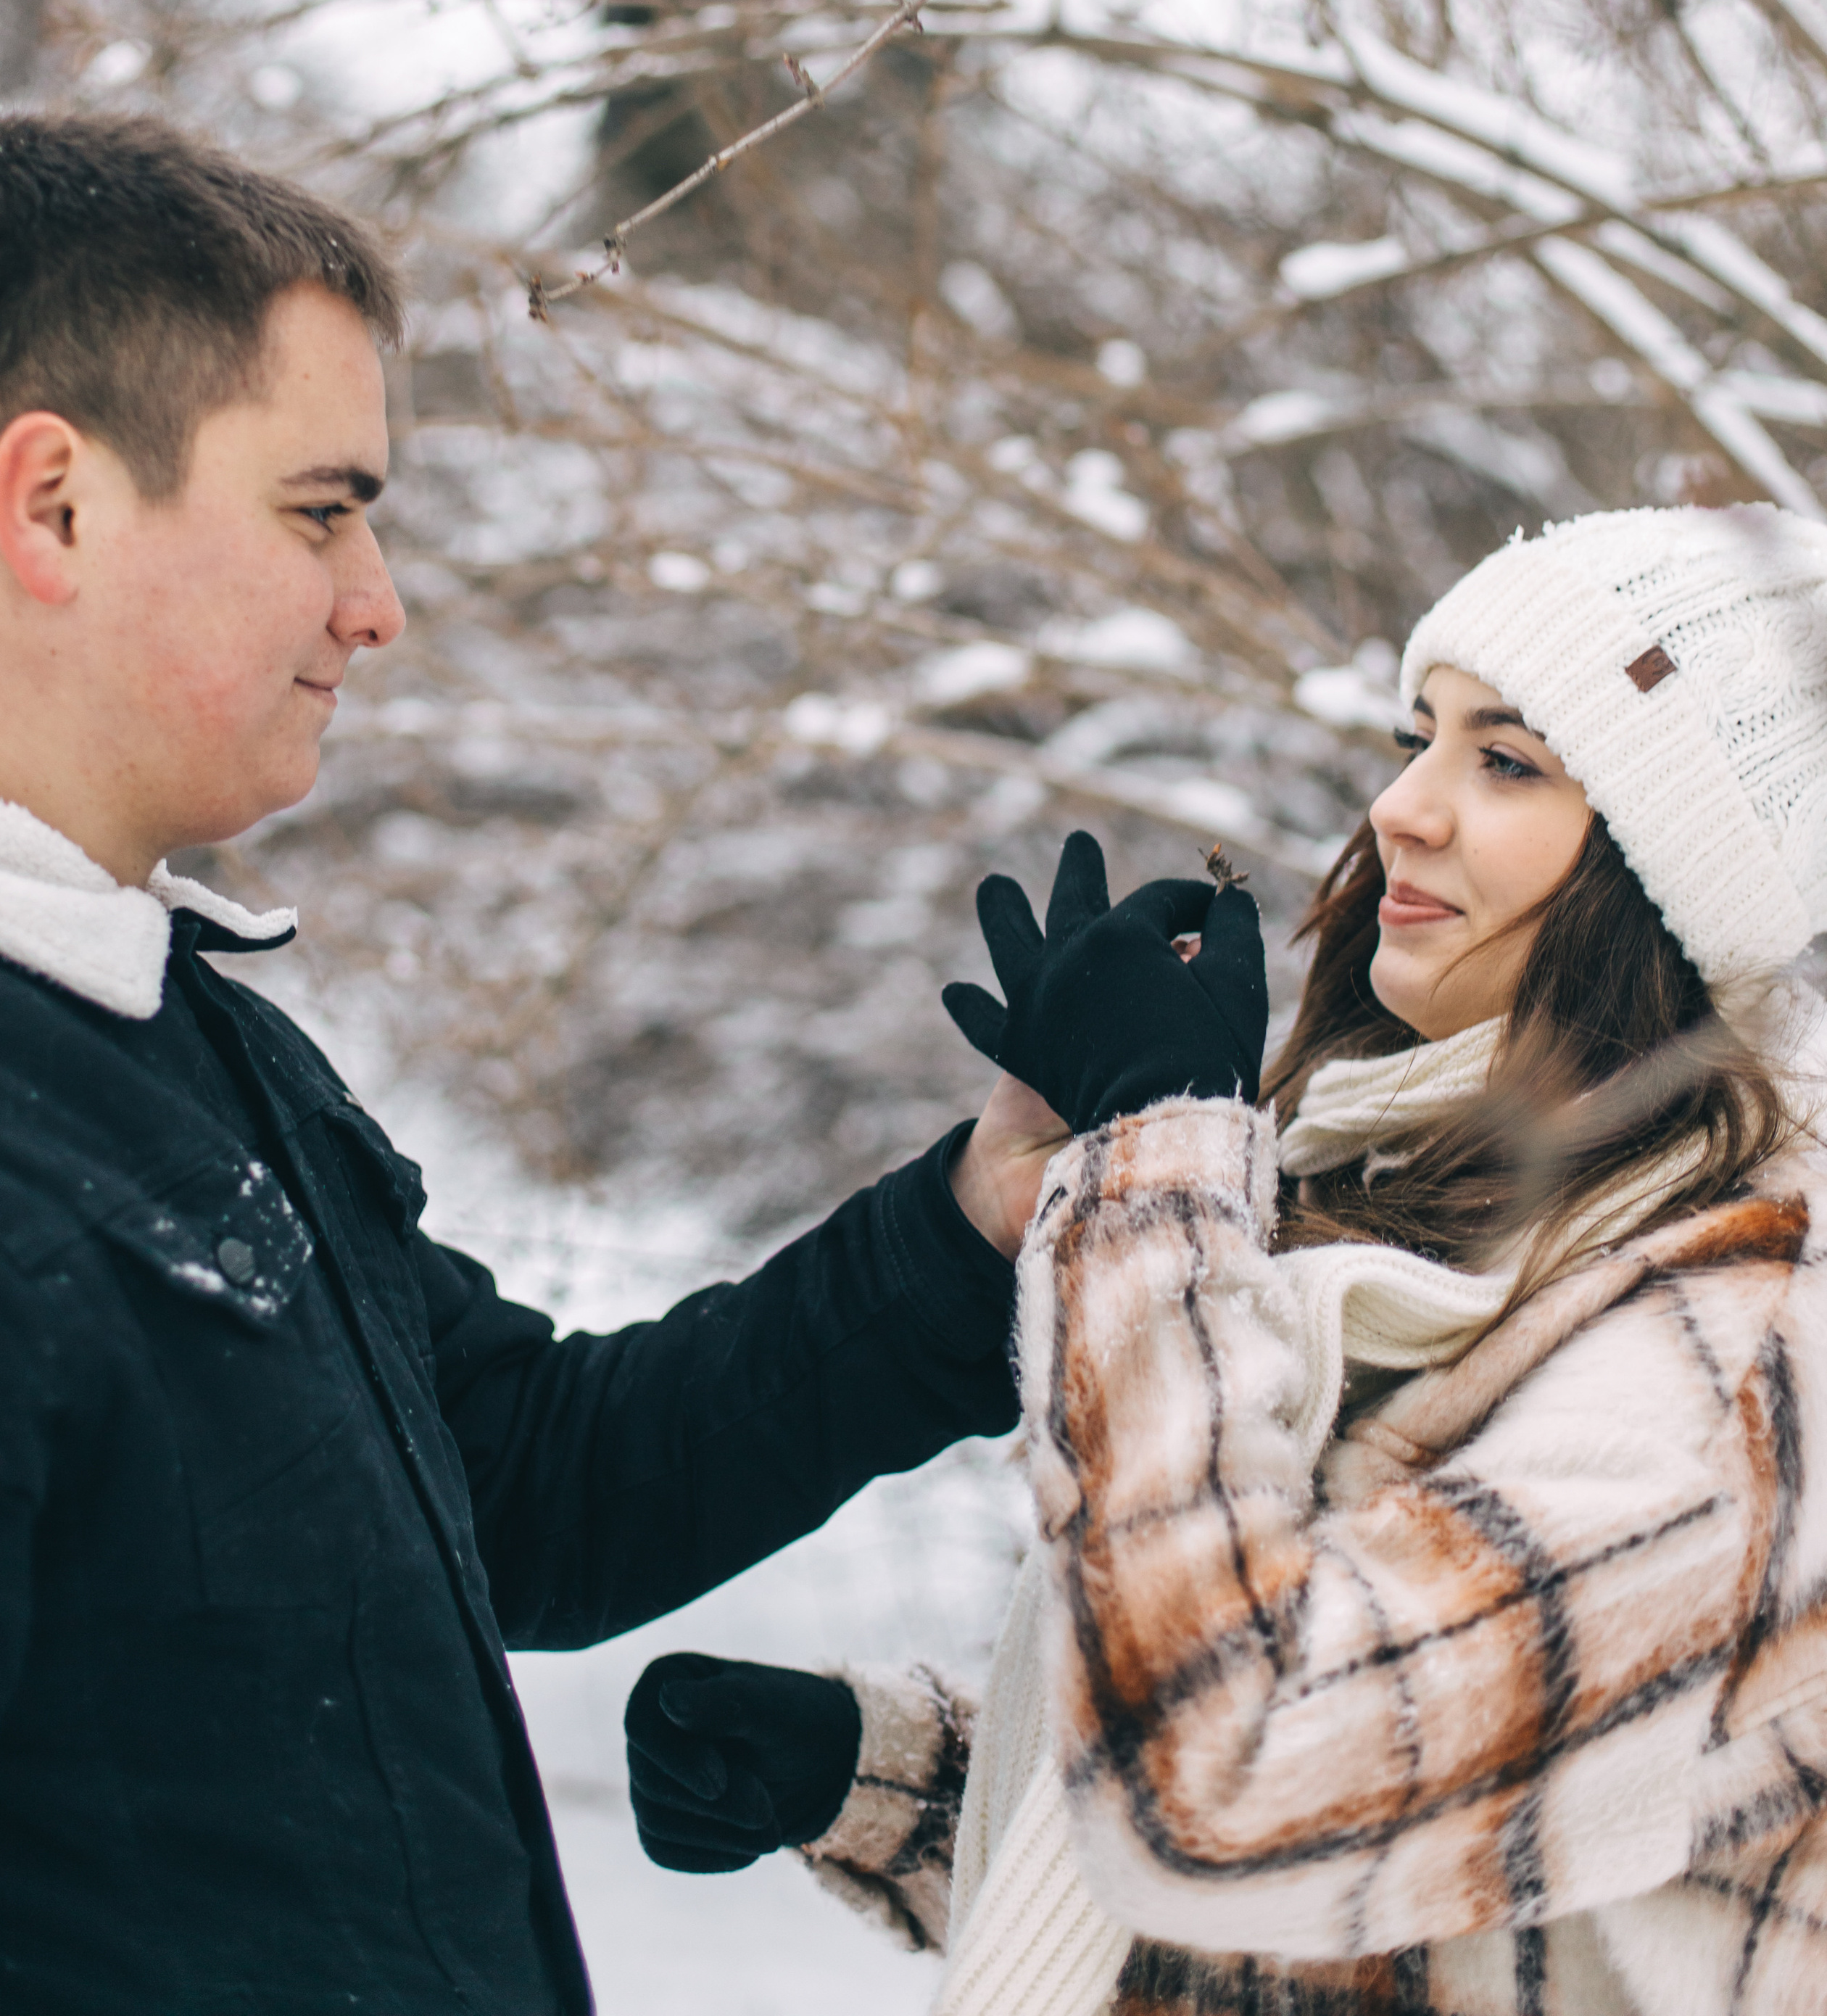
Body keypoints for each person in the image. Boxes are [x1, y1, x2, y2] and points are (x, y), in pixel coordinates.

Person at [0, 105, 1171, 2016]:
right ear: (56, 506)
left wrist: (972, 1223)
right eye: (319, 508)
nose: (378, 598)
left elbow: (531, 1483)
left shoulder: (200, 1051)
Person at [627, 503, 1827, 2016]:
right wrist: (889, 1787)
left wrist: (1152, 1179)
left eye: (1504, 760)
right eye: (1419, 737)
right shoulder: (1454, 1222)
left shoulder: (1736, 1360)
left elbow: (1236, 1776)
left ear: (1672, 871)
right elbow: (1390, 1871)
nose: (1400, 805)